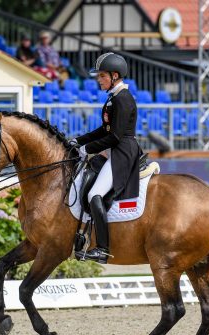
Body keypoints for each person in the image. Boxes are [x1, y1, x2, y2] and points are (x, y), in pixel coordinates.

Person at [71, 53, 141, 264]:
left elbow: (115, 136)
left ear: (114, 75)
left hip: (122, 151)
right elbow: (104, 129)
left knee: (94, 194)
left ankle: (102, 248)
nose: (98, 80)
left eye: (102, 76)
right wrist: (77, 141)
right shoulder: (114, 97)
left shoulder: (123, 99)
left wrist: (87, 149)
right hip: (116, 148)